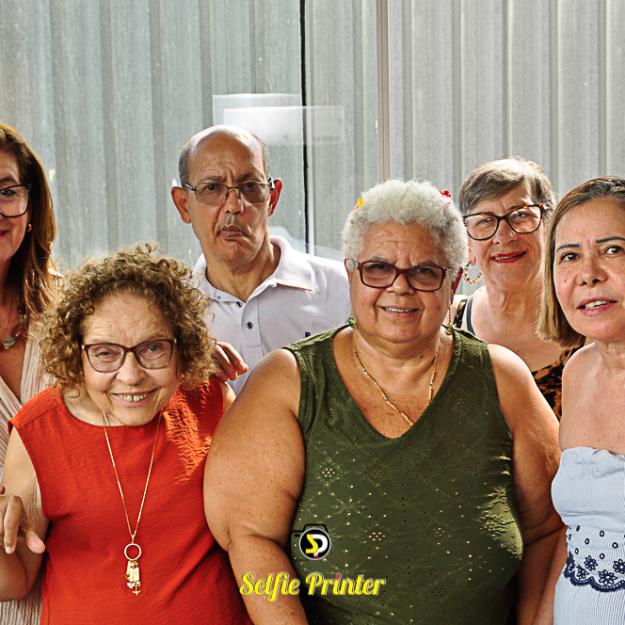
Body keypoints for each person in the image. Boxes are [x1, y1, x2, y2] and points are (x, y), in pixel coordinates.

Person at [204, 180, 562, 625]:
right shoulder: (288, 382)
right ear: (351, 273)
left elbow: (549, 529)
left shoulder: (502, 378)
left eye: (424, 272)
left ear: (453, 281)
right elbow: (251, 538)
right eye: (378, 268)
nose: (399, 287)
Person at [0, 246, 251, 625]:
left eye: (153, 348)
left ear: (181, 346)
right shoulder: (38, 430)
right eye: (105, 353)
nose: (131, 375)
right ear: (76, 354)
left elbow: (256, 534)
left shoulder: (210, 400)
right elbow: (15, 581)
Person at [171, 125, 351, 392]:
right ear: (183, 205)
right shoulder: (169, 314)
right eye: (212, 188)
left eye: (250, 187)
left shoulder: (344, 289)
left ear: (272, 198)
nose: (234, 206)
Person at [536, 176, 625, 624]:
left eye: (613, 250)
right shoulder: (578, 371)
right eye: (569, 256)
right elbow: (575, 533)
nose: (588, 273)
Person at [453, 157, 572, 417]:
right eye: (485, 220)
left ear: (548, 227)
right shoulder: (447, 324)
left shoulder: (586, 325)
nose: (504, 236)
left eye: (520, 215)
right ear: (468, 245)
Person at [0, 123, 56, 625]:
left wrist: (189, 356)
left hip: (86, 582)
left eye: (6, 191)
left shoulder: (78, 309)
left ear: (31, 205)